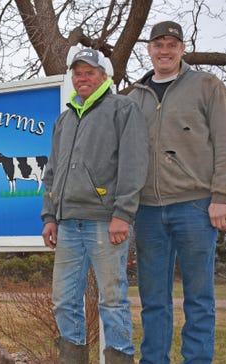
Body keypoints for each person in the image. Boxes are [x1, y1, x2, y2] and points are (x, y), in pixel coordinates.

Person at [129, 21, 226, 364]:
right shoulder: (134, 96)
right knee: (153, 299)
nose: (164, 51)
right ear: (148, 49)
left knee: (198, 298)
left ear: (182, 49)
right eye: (158, 44)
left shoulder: (207, 85)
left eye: (171, 45)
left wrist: (221, 196)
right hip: (147, 210)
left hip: (195, 206)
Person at [41, 49, 148, 364]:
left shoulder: (123, 109)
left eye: (89, 72)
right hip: (67, 224)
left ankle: (119, 358)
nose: (82, 78)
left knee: (112, 301)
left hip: (106, 223)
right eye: (77, 72)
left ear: (104, 76)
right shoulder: (64, 119)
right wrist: (50, 216)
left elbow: (134, 164)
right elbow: (53, 171)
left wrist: (122, 214)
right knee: (64, 301)